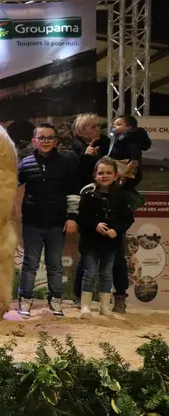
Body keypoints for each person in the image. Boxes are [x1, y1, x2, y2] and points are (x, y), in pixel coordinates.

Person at [17, 123, 79, 317]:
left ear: (56, 141)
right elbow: (10, 184)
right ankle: (25, 301)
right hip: (32, 223)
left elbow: (73, 193)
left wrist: (72, 218)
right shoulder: (25, 163)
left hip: (57, 223)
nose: (46, 141)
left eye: (50, 138)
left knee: (55, 265)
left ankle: (56, 302)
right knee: (30, 264)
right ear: (34, 141)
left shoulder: (66, 163)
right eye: (41, 138)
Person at [76, 157, 134, 318]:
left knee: (107, 273)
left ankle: (104, 306)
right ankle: (85, 306)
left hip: (111, 243)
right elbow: (81, 217)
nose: (105, 176)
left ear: (116, 175)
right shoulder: (88, 194)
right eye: (101, 173)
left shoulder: (121, 196)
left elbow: (128, 219)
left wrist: (117, 230)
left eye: (109, 173)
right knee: (90, 272)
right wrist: (95, 225)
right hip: (91, 242)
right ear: (95, 175)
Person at [107, 115, 152, 313]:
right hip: (106, 223)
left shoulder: (127, 138)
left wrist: (129, 169)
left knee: (117, 257)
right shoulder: (123, 139)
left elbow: (134, 157)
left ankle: (119, 299)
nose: (114, 127)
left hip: (117, 221)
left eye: (118, 124)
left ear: (128, 126)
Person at [70, 113, 109, 305]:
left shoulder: (105, 145)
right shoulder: (75, 149)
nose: (97, 129)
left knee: (108, 255)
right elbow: (74, 178)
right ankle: (81, 295)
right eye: (92, 126)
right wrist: (85, 157)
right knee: (88, 253)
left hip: (106, 203)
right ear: (81, 130)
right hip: (86, 205)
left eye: (98, 126)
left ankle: (102, 297)